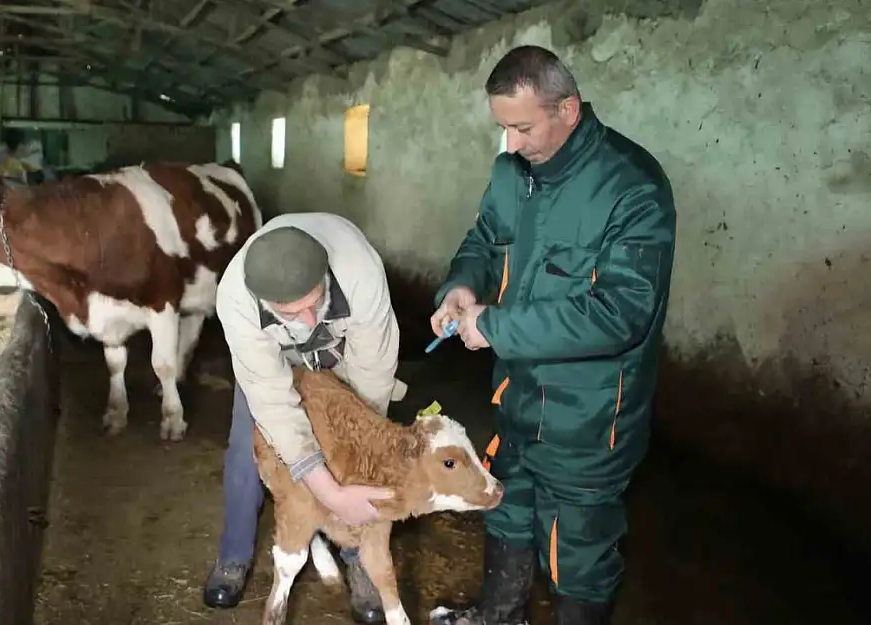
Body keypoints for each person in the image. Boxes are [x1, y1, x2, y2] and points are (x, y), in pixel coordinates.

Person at [428, 45, 677, 625]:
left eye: (521, 127)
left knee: (579, 549)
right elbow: (486, 239)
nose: (510, 144)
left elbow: (621, 313)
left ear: (567, 108)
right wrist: (463, 286)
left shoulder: (631, 186)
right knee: (507, 509)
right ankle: (498, 617)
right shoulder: (512, 172)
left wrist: (494, 325)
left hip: (588, 416)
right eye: (502, 128)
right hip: (516, 393)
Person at [203, 212, 403, 625]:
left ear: (326, 276)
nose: (308, 318)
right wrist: (328, 494)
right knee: (247, 450)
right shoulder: (235, 302)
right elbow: (274, 404)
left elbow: (373, 382)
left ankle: (358, 557)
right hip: (274, 361)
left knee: (357, 452)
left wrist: (351, 449)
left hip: (342, 353)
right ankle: (234, 555)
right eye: (292, 313)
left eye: (315, 302)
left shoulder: (360, 274)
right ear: (265, 304)